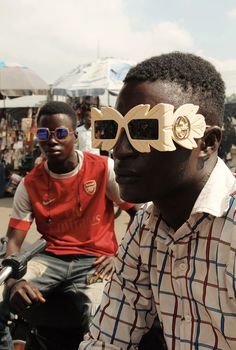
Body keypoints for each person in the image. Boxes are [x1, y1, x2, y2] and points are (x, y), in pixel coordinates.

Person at [79, 52, 236, 349]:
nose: (120, 151)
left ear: (206, 143)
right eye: (111, 130)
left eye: (144, 130)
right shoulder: (144, 230)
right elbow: (107, 338)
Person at [0, 101, 136, 349]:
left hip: (95, 261)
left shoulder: (104, 169)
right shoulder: (29, 184)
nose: (51, 140)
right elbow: (13, 242)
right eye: (44, 133)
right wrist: (13, 282)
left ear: (75, 135)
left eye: (60, 133)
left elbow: (140, 214)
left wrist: (122, 255)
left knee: (102, 318)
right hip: (49, 259)